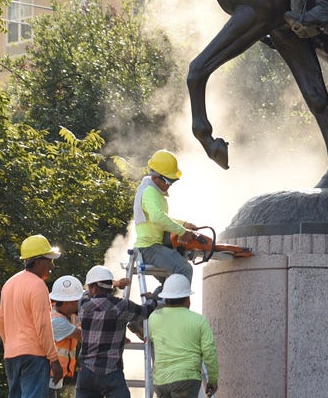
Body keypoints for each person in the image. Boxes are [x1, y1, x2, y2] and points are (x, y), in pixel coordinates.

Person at [0, 234, 64, 398]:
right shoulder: (37, 285)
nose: (52, 266)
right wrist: (54, 360)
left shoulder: (9, 284)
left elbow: (0, 322)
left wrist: (11, 346)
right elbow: (43, 325)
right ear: (39, 261)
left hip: (11, 356)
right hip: (34, 357)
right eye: (49, 260)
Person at [75, 265, 155, 398]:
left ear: (94, 287)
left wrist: (116, 283)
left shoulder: (83, 305)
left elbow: (86, 294)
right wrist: (152, 299)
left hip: (86, 372)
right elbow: (146, 312)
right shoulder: (122, 306)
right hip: (111, 371)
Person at [149, 274, 220, 398]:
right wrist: (213, 380)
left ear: (166, 298)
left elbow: (150, 337)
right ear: (187, 298)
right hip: (186, 380)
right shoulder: (199, 320)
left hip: (160, 382)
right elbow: (209, 352)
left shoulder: (154, 318)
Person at [135, 149, 199, 283]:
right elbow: (157, 218)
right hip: (149, 248)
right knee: (184, 269)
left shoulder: (155, 192)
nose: (169, 185)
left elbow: (162, 217)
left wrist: (183, 224)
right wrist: (182, 231)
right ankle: (176, 303)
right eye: (168, 181)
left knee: (171, 282)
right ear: (155, 177)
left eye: (172, 181)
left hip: (154, 247)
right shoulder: (150, 192)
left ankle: (155, 302)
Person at [49, 275, 84, 398]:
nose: (80, 303)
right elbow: (83, 336)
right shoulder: (57, 322)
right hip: (48, 374)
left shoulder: (68, 315)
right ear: (68, 302)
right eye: (77, 300)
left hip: (55, 374)